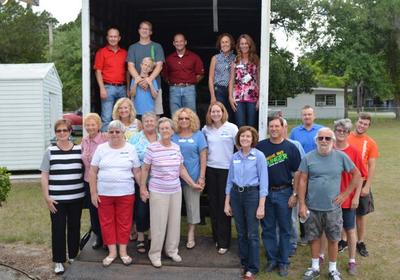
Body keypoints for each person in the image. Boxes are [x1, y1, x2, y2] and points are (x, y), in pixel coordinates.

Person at [298, 128, 361, 280]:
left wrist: (345, 194)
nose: (324, 141)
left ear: (333, 141)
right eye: (321, 138)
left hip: (333, 209)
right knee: (313, 238)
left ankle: (333, 269)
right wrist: (302, 204)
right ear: (316, 141)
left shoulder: (341, 157)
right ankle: (314, 268)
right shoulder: (308, 157)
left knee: (333, 239)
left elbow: (357, 174)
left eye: (327, 138)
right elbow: (303, 180)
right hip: (312, 207)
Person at [140, 117, 202, 268]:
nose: (165, 131)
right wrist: (143, 188)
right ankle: (154, 253)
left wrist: (192, 184)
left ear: (172, 131)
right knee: (158, 224)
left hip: (175, 190)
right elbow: (145, 169)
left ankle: (171, 250)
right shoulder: (152, 148)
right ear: (158, 130)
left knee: (174, 223)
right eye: (162, 128)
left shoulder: (175, 147)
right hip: (158, 191)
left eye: (168, 128)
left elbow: (180, 169)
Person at [89, 120, 142, 267]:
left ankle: (123, 252)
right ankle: (112, 252)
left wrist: (143, 188)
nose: (114, 134)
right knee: (107, 222)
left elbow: (137, 171)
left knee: (124, 223)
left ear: (123, 133)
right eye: (111, 131)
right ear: (107, 133)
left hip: (126, 193)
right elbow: (92, 171)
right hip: (104, 193)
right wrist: (93, 193)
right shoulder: (101, 149)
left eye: (117, 132)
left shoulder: (131, 149)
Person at [256, 117, 301, 277]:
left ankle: (283, 262)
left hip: (284, 192)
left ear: (283, 128)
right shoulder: (261, 146)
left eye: (277, 126)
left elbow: (297, 173)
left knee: (284, 228)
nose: (274, 129)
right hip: (266, 193)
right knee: (267, 228)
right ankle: (272, 259)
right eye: (271, 126)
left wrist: (295, 194)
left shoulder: (291, 148)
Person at [40, 119, 85, 274]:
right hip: (56, 200)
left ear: (70, 132)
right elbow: (44, 175)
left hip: (76, 198)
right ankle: (58, 260)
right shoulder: (50, 151)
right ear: (55, 133)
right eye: (59, 131)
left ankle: (73, 256)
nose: (62, 133)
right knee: (58, 229)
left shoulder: (80, 150)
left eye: (65, 130)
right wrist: (47, 197)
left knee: (74, 227)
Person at [224, 126, 268, 280]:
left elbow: (264, 183)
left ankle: (252, 268)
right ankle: (244, 262)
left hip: (252, 196)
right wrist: (227, 202)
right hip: (236, 195)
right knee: (241, 232)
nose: (245, 139)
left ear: (253, 139)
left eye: (248, 137)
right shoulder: (235, 156)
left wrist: (261, 205)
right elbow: (229, 180)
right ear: (238, 139)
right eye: (242, 136)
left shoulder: (259, 156)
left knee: (252, 233)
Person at [202, 101, 238, 254]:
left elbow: (240, 148)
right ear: (209, 114)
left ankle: (224, 241)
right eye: (212, 111)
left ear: (223, 112)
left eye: (218, 111)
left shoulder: (232, 128)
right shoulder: (206, 129)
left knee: (225, 206)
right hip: (211, 170)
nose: (215, 114)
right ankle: (216, 237)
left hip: (226, 171)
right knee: (213, 205)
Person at [333, 119, 367, 275]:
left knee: (350, 229)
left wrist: (355, 197)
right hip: (330, 199)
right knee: (328, 230)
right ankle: (321, 257)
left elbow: (360, 176)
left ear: (348, 133)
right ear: (334, 131)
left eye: (344, 131)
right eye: (338, 130)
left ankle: (352, 260)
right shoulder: (328, 148)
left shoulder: (354, 151)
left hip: (347, 198)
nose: (341, 133)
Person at [172, 108, 207, 249]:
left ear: (191, 119)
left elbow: (203, 157)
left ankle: (191, 234)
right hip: (173, 179)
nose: (184, 121)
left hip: (193, 177)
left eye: (186, 118)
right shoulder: (173, 136)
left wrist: (202, 177)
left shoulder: (199, 135)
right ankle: (173, 236)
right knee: (173, 209)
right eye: (181, 118)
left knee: (193, 207)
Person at [289, 105, 323, 246]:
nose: (307, 117)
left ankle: (316, 233)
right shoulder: (295, 132)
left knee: (314, 203)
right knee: (301, 201)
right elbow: (291, 149)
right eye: (304, 115)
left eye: (309, 114)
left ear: (314, 116)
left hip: (317, 172)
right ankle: (304, 234)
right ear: (301, 116)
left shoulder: (321, 130)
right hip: (301, 172)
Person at [347, 112, 379, 257]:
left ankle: (360, 242)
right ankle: (342, 240)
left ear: (368, 126)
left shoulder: (370, 143)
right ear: (356, 122)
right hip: (346, 181)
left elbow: (371, 166)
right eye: (360, 122)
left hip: (362, 182)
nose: (362, 126)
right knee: (344, 212)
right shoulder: (346, 137)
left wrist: (367, 186)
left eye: (365, 124)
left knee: (360, 215)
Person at [128, 112, 159, 253]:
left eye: (152, 121)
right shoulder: (135, 139)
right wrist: (141, 184)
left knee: (155, 209)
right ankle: (140, 237)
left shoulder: (162, 137)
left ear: (156, 122)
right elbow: (129, 159)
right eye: (146, 121)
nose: (149, 123)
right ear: (142, 123)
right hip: (140, 180)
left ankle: (152, 236)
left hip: (159, 181)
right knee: (141, 211)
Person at [81, 113, 108, 249]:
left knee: (104, 209)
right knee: (93, 210)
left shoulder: (105, 139)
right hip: (88, 180)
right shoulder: (84, 140)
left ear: (99, 126)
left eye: (93, 125)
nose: (90, 127)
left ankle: (107, 237)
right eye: (88, 125)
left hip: (102, 180)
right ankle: (98, 235)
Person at [127, 21, 165, 116]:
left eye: (147, 29)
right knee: (135, 116)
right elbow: (130, 66)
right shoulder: (133, 47)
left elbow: (159, 66)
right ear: (139, 30)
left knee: (155, 116)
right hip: (136, 86)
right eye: (142, 28)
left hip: (154, 86)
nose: (144, 30)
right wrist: (139, 81)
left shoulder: (157, 47)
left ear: (151, 32)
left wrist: (149, 80)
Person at [94, 27, 128, 131]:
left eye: (115, 36)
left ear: (119, 38)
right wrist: (102, 88)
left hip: (122, 87)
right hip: (108, 87)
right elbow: (98, 71)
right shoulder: (101, 52)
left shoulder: (125, 53)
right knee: (106, 117)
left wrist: (128, 88)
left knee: (123, 116)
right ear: (107, 38)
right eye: (111, 36)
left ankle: (123, 139)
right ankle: (106, 142)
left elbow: (128, 71)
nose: (113, 38)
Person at [163, 33, 205, 114]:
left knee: (191, 115)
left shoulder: (194, 57)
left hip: (189, 89)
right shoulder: (169, 59)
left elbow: (200, 74)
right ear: (173, 43)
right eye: (176, 41)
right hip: (174, 89)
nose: (179, 43)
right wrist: (173, 83)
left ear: (185, 42)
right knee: (175, 114)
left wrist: (190, 82)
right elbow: (164, 75)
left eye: (181, 41)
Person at [282, 118, 306, 256]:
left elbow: (301, 168)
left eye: (283, 126)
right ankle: (281, 242)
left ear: (286, 128)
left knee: (291, 218)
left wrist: (297, 191)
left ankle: (292, 243)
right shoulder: (270, 144)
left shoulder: (295, 144)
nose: (280, 129)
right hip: (278, 187)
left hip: (293, 186)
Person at [229, 34, 260, 128]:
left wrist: (260, 98)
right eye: (242, 43)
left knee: (251, 126)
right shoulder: (235, 60)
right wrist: (230, 97)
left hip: (252, 97)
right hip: (238, 98)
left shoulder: (256, 59)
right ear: (239, 45)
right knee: (240, 126)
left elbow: (259, 79)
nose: (244, 45)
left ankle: (253, 143)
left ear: (250, 45)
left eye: (246, 43)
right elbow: (231, 80)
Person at [208, 33, 236, 121]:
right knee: (219, 115)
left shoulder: (236, 58)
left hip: (233, 91)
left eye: (227, 42)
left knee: (231, 115)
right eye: (222, 42)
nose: (225, 44)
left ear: (231, 43)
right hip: (219, 90)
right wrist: (213, 96)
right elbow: (210, 78)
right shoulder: (215, 58)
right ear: (220, 45)